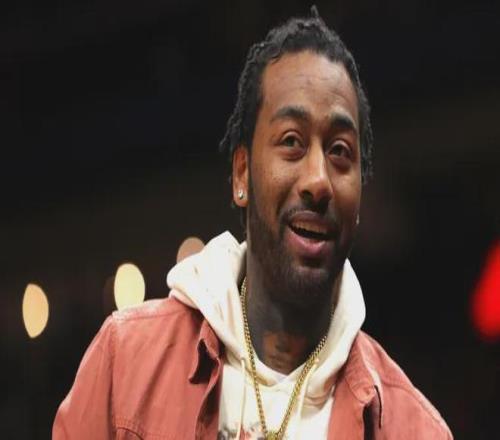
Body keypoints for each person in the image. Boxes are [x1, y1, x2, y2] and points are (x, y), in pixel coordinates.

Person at [53, 8, 453, 440]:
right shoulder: (126, 364)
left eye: (340, 151)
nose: (319, 181)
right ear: (242, 174)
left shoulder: (412, 430)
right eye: (291, 142)